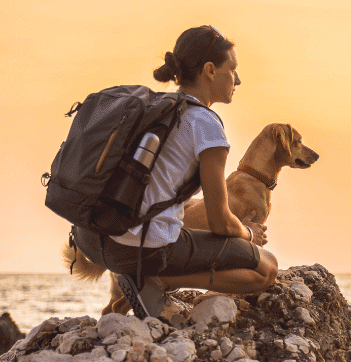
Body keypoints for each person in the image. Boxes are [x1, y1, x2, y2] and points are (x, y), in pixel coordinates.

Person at [73, 25, 278, 317]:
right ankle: (153, 279)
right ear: (210, 70)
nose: (238, 79)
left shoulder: (152, 107)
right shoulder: (205, 124)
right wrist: (248, 232)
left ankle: (142, 276)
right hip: (140, 250)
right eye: (232, 69)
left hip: (91, 239)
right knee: (267, 267)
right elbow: (220, 223)